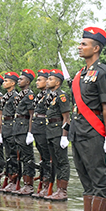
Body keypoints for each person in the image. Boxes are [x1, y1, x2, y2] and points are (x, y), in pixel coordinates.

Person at [65, 27, 106, 211]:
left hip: (94, 132)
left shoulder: (104, 73)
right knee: (86, 182)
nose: (80, 46)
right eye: (81, 43)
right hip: (78, 133)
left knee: (99, 180)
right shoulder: (80, 74)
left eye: (84, 44)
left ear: (96, 48)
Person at [43, 69, 71, 201]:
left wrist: (65, 136)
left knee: (62, 161)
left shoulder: (62, 96)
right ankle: (57, 189)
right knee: (55, 161)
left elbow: (66, 118)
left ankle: (62, 190)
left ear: (58, 82)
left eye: (50, 79)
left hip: (58, 132)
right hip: (50, 131)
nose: (47, 81)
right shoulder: (51, 96)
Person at [14, 69, 36, 195]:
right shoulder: (20, 95)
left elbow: (31, 115)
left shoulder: (29, 96)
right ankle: (23, 182)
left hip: (24, 128)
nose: (19, 80)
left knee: (28, 157)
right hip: (17, 128)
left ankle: (29, 184)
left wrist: (30, 132)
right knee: (20, 157)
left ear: (27, 81)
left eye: (21, 79)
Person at [31, 69, 52, 198]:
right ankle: (43, 182)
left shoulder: (50, 95)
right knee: (43, 158)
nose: (37, 82)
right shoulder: (39, 96)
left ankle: (47, 185)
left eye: (40, 79)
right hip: (37, 128)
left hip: (45, 128)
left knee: (47, 157)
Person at [0, 72, 20, 193]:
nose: (4, 83)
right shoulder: (6, 96)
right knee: (8, 154)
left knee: (14, 154)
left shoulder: (15, 96)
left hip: (12, 126)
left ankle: (14, 179)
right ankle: (9, 177)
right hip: (6, 126)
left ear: (13, 83)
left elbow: (18, 114)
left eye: (6, 81)